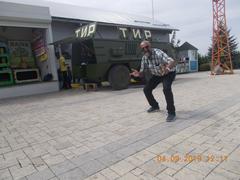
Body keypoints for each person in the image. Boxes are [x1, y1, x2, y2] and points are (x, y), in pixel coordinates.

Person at [130, 40, 177, 122]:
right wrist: (138, 74)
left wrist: (167, 68)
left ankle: (171, 113)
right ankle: (155, 106)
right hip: (157, 75)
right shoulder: (144, 58)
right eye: (143, 48)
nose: (145, 49)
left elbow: (172, 61)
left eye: (147, 47)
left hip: (168, 73)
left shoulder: (158, 53)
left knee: (166, 89)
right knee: (146, 89)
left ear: (150, 46)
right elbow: (142, 72)